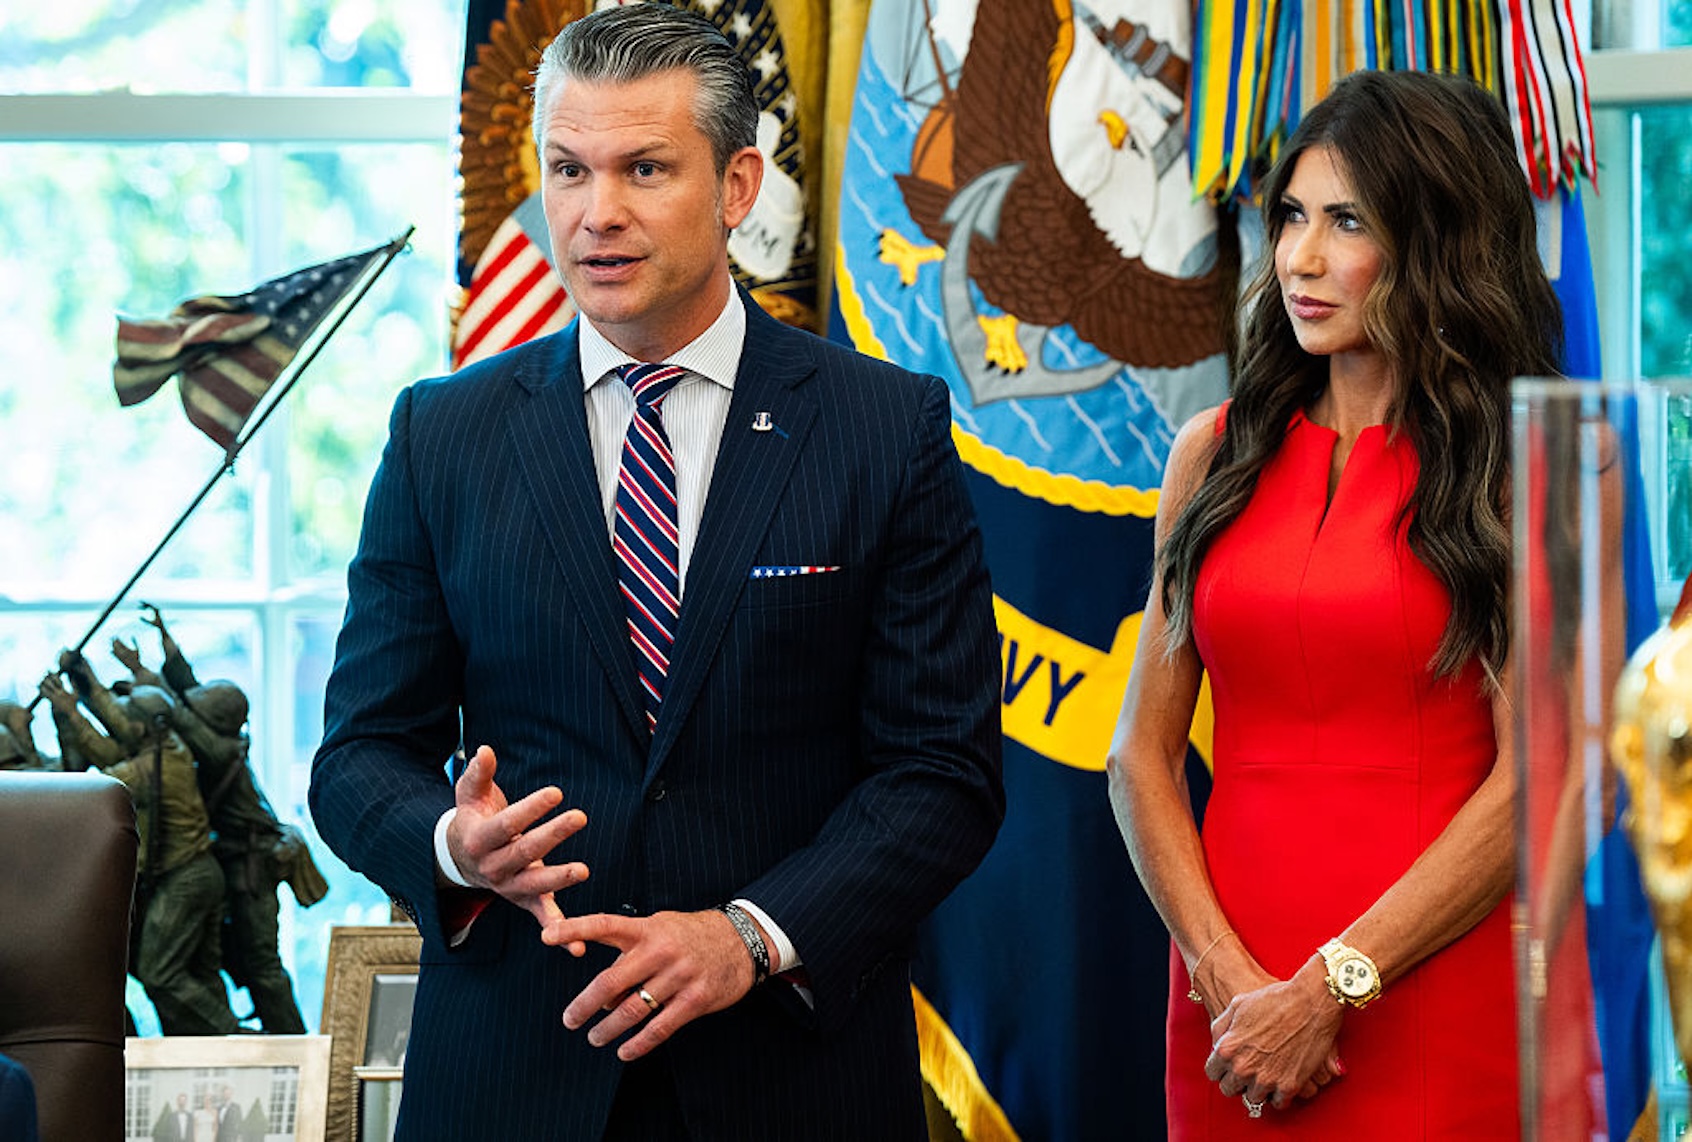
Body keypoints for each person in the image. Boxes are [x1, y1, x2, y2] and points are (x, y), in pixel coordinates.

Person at [308, 5, 1004, 1139]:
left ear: (738, 186)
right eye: (569, 170)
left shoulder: (885, 429)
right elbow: (358, 756)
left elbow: (943, 772)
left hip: (789, 1076)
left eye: (644, 168)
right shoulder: (444, 433)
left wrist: (747, 932)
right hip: (512, 1073)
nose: (596, 213)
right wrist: (451, 843)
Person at [1106, 69, 1562, 1138]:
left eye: (1346, 221)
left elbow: (1539, 777)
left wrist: (1330, 987)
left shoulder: (1514, 468)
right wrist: (1228, 977)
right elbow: (1138, 757)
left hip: (1428, 988)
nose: (1300, 259)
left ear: (1436, 238)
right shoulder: (1209, 456)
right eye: (1293, 218)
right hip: (1229, 1002)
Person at [113, 606, 328, 1033]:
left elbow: (178, 712)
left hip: (254, 865)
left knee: (260, 965)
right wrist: (163, 640)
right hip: (232, 861)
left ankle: (294, 1049)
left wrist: (143, 675)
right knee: (228, 959)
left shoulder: (219, 749)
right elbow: (188, 691)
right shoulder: (218, 735)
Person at [41, 665, 240, 1037]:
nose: (123, 721)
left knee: (159, 973)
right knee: (198, 972)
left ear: (144, 728)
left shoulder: (151, 768)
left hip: (187, 880)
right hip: (198, 874)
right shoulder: (169, 746)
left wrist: (72, 714)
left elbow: (102, 778)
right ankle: (208, 1046)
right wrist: (88, 682)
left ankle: (232, 1034)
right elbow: (119, 731)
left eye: (130, 719)